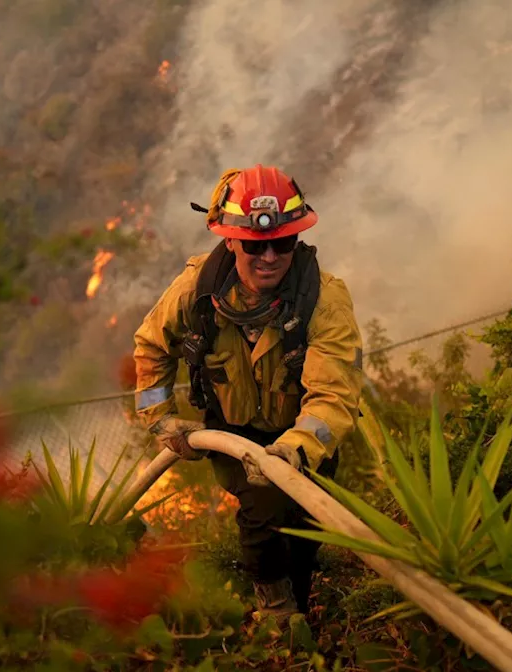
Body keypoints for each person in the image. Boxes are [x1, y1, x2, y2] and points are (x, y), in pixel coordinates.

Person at [132, 164, 363, 622]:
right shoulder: (197, 291)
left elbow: (333, 395)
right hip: (233, 436)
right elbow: (150, 346)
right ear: (232, 240)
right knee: (262, 517)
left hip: (302, 442)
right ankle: (277, 618)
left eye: (283, 243)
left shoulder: (324, 300)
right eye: (257, 245)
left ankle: (298, 601)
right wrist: (159, 419)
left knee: (303, 531)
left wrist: (296, 448)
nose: (270, 257)